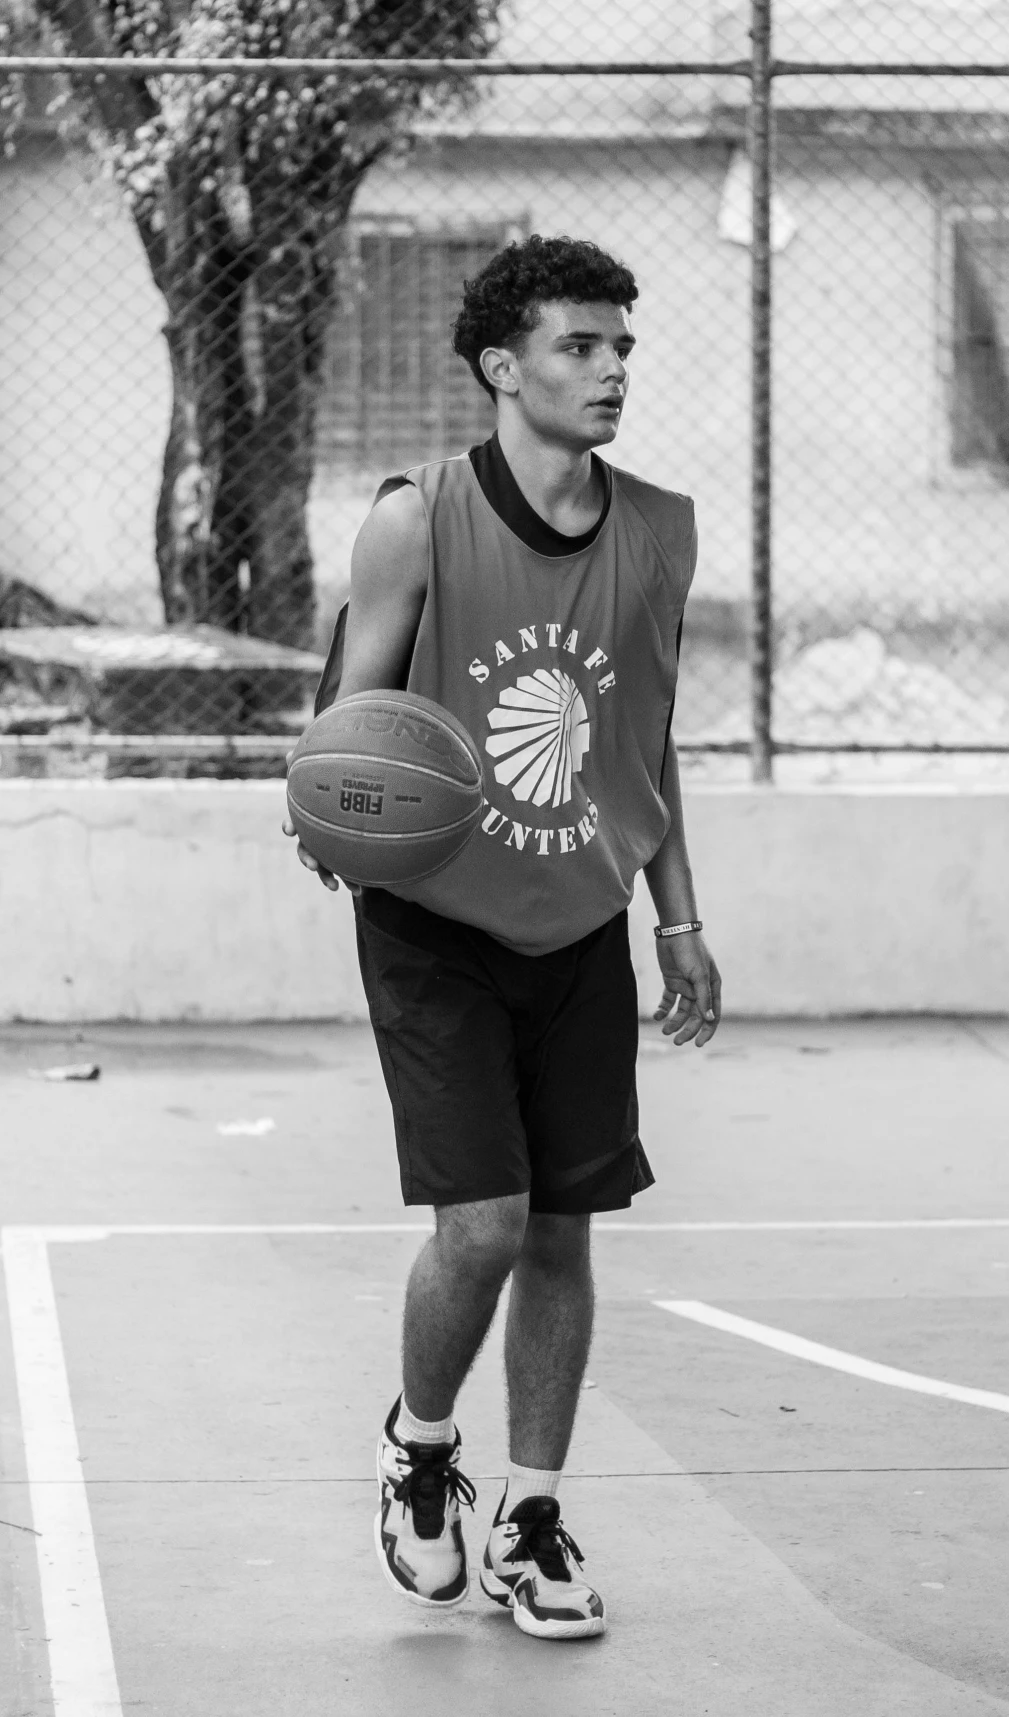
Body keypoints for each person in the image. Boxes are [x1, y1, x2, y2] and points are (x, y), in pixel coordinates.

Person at [283, 235, 720, 1641]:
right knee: (476, 1226)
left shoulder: (657, 529)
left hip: (581, 917)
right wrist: (331, 810)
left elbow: (643, 738)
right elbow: (354, 733)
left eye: (619, 349)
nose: (607, 372)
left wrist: (678, 914)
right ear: (500, 367)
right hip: (437, 922)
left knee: (558, 1229)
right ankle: (421, 1453)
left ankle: (531, 1516)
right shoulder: (416, 520)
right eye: (577, 347)